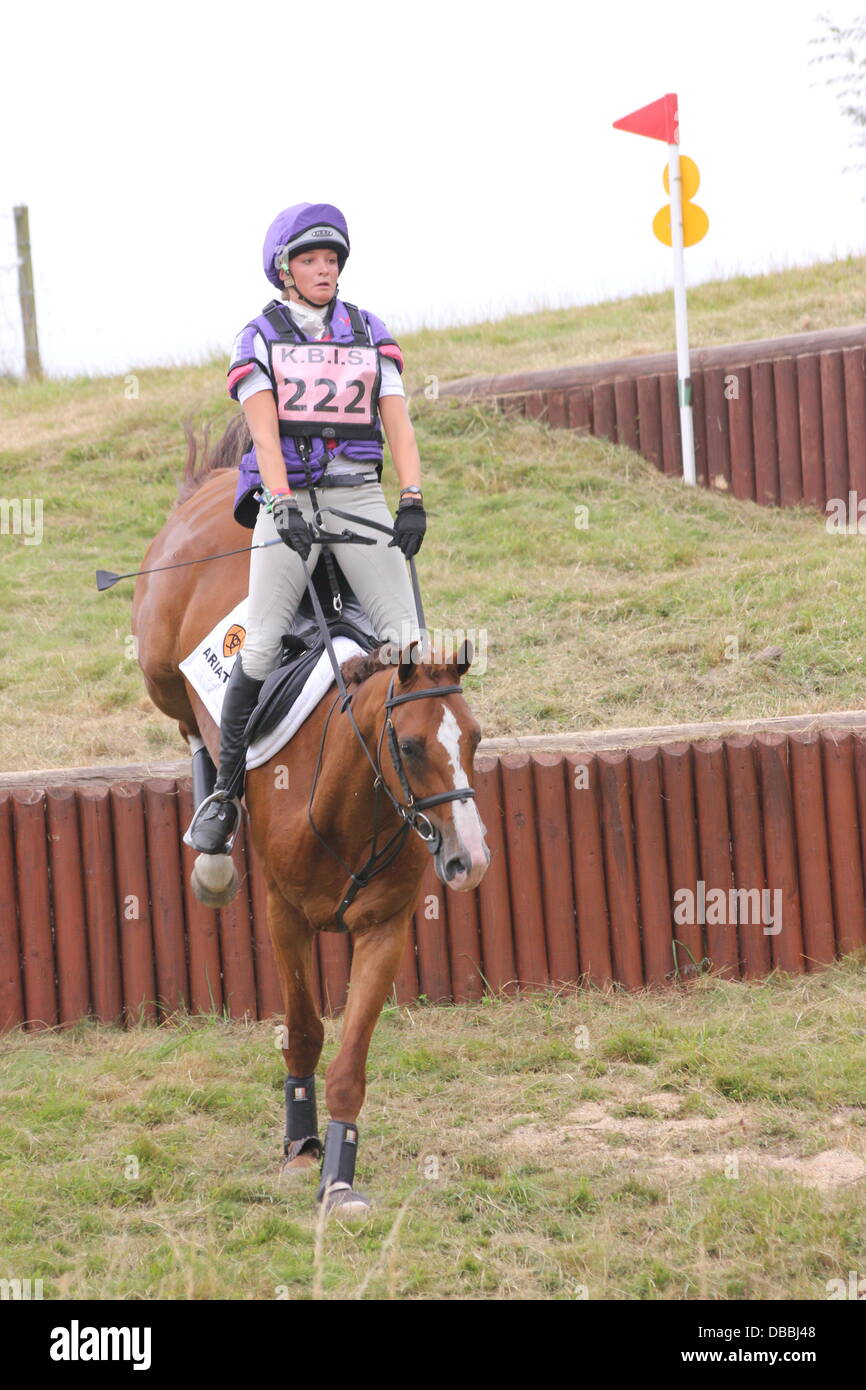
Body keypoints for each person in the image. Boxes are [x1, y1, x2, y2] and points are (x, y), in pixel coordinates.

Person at [186, 201, 426, 855]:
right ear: (284, 271)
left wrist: (410, 497)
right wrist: (283, 501)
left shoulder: (369, 331)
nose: (323, 269)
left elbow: (396, 420)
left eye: (331, 260)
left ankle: (425, 789)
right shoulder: (258, 334)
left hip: (357, 496)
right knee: (260, 643)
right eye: (310, 260)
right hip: (289, 500)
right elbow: (263, 429)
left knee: (412, 645)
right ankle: (223, 796)